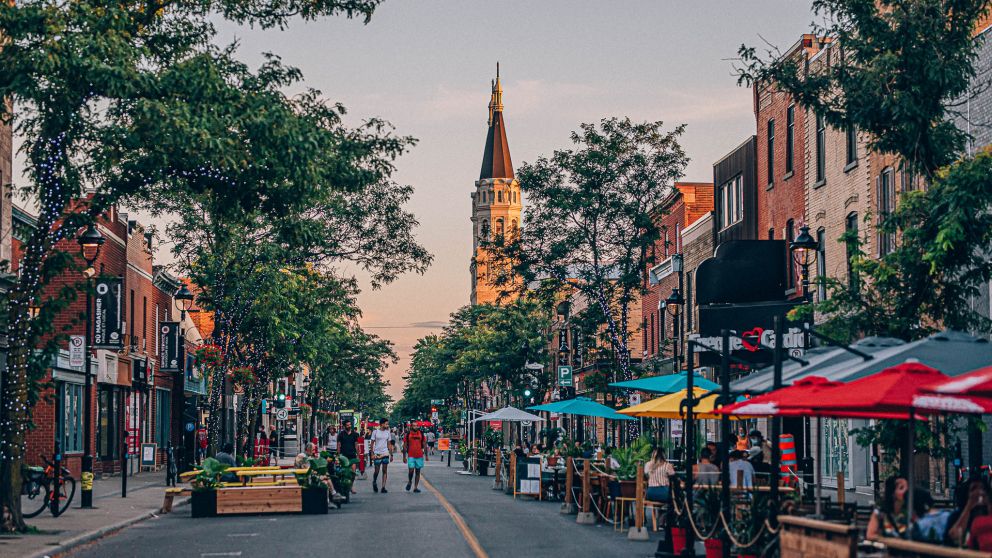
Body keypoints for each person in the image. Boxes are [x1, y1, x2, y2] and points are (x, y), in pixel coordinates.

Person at [947, 477, 992, 546]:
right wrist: (969, 505)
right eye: (974, 489)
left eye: (982, 488)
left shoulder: (987, 513)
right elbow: (954, 536)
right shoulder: (956, 515)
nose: (979, 492)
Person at [369, 418, 395, 493]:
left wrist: (391, 454)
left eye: (387, 424)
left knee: (384, 470)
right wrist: (372, 453)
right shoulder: (375, 432)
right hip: (377, 453)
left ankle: (383, 487)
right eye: (386, 424)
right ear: (382, 424)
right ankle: (374, 481)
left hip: (385, 453)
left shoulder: (388, 433)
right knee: (376, 471)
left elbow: (389, 444)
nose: (387, 425)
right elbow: (372, 443)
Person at [336, 421, 360, 494]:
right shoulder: (341, 435)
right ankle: (345, 486)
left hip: (352, 455)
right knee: (343, 473)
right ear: (344, 426)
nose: (349, 426)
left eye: (350, 424)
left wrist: (358, 455)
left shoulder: (355, 434)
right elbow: (338, 445)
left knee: (353, 473)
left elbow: (356, 445)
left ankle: (351, 486)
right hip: (343, 456)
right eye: (347, 425)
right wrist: (338, 456)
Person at [404, 421, 428, 493]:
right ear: (411, 426)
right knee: (411, 470)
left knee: (418, 472)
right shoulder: (408, 435)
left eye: (416, 426)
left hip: (419, 455)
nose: (415, 427)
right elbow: (405, 446)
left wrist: (426, 455)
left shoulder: (421, 434)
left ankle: (415, 487)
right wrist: (404, 457)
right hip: (411, 455)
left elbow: (424, 445)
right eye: (414, 426)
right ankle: (410, 481)